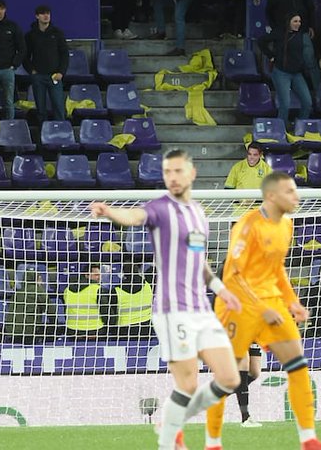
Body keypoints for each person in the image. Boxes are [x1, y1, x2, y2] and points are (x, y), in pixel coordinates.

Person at [89, 151, 241, 450]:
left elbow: (200, 261)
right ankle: (168, 440)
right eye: (167, 172)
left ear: (191, 174)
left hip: (201, 309)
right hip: (173, 312)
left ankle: (170, 420)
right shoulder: (159, 208)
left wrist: (221, 289)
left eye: (177, 171)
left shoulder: (198, 213)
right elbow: (134, 217)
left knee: (229, 378)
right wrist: (110, 211)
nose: (172, 177)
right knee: (187, 385)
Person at [204, 172, 321, 450]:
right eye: (290, 192)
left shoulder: (287, 225)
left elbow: (277, 268)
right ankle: (213, 443)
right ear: (271, 196)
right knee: (227, 377)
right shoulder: (247, 225)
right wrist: (262, 308)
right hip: (238, 306)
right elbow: (235, 275)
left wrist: (293, 302)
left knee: (298, 365)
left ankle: (309, 439)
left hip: (272, 303)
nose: (297, 197)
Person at [261, 13, 313, 123]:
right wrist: (271, 55)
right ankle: (281, 130)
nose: (298, 24)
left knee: (307, 102)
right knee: (285, 104)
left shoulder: (301, 34)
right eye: (295, 21)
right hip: (281, 72)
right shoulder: (279, 33)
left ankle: (300, 127)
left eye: (299, 21)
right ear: (288, 22)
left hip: (297, 73)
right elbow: (261, 41)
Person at [24, 4, 68, 121]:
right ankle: (43, 134)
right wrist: (31, 71)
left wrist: (61, 72)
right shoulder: (30, 35)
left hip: (55, 76)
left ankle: (61, 134)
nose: (46, 16)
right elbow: (25, 55)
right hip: (38, 76)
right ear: (37, 16)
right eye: (43, 14)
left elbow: (64, 54)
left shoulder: (57, 33)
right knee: (40, 109)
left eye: (48, 13)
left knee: (58, 106)